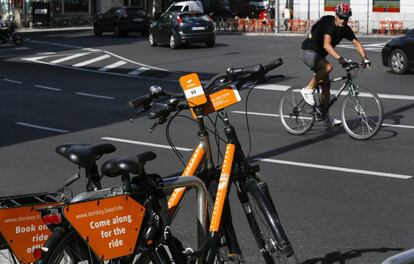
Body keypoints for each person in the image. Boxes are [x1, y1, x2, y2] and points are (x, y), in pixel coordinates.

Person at [299, 3, 371, 125]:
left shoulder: (345, 29)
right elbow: (326, 44)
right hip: (308, 52)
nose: (343, 20)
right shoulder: (329, 24)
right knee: (328, 67)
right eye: (341, 17)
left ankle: (323, 115)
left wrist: (365, 58)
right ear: (336, 15)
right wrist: (340, 59)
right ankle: (307, 89)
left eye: (346, 18)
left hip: (319, 57)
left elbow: (356, 43)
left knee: (326, 87)